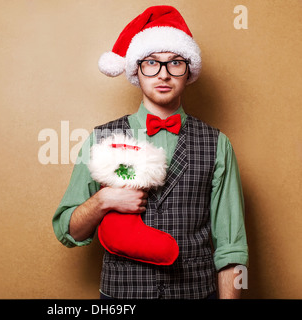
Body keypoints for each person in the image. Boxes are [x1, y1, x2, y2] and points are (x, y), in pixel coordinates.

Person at [52, 5, 248, 299]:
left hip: (195, 292)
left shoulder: (218, 144)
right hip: (122, 297)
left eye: (175, 63)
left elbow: (231, 248)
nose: (164, 74)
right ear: (136, 69)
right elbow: (69, 231)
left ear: (189, 69)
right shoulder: (101, 138)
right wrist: (104, 200)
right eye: (152, 63)